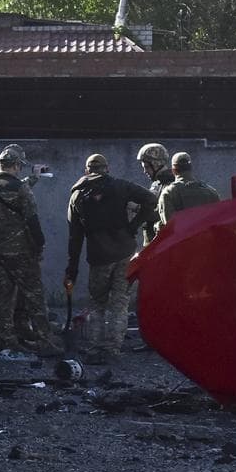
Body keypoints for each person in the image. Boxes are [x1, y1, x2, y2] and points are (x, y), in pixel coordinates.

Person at [65, 154, 158, 360]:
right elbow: (151, 199)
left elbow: (75, 236)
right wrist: (133, 226)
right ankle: (112, 349)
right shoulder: (121, 186)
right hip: (125, 253)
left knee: (97, 303)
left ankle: (95, 349)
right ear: (107, 168)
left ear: (87, 170)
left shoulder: (77, 195)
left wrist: (72, 268)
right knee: (120, 303)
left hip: (99, 257)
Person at [0, 147, 58, 354]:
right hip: (22, 254)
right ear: (15, 166)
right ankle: (44, 342)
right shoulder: (21, 189)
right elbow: (32, 220)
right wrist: (39, 244)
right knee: (34, 297)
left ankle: (8, 341)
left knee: (2, 298)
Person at [155, 152, 221, 233]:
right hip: (207, 242)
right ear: (191, 168)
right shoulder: (211, 192)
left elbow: (169, 227)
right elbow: (218, 221)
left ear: (173, 170)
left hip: (183, 243)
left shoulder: (168, 193)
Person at [136, 142, 174, 245]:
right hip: (153, 242)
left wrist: (136, 208)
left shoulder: (169, 184)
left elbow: (162, 214)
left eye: (147, 167)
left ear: (156, 164)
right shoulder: (157, 183)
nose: (145, 171)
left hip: (162, 244)